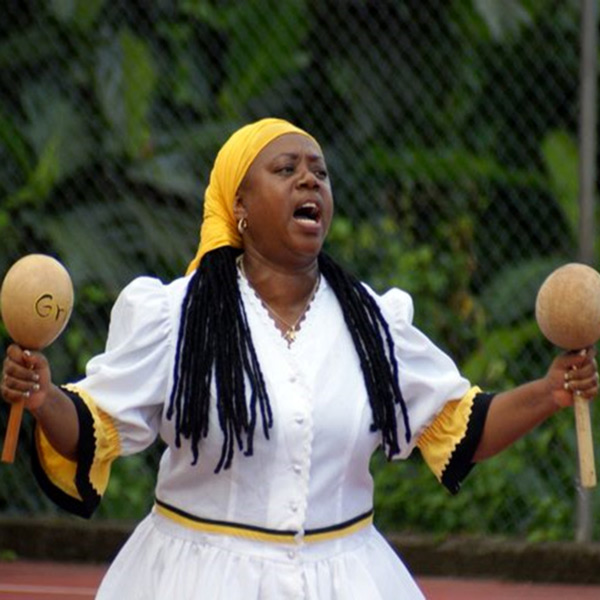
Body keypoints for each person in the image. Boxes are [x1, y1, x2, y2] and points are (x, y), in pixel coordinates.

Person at [1, 118, 598, 599]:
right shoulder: (177, 316)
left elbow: (459, 426)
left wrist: (549, 392)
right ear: (238, 205)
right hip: (197, 579)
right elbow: (92, 428)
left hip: (349, 576)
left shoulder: (373, 323)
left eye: (320, 172)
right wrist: (43, 397)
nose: (309, 181)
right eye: (285, 169)